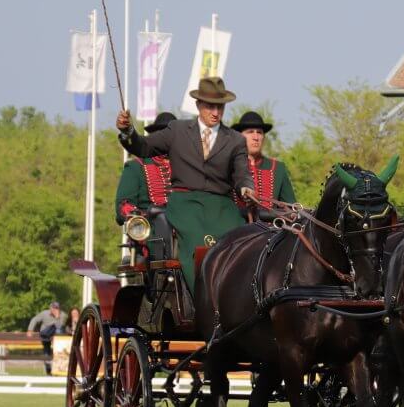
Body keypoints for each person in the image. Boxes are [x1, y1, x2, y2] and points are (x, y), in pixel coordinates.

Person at [116, 76, 256, 290]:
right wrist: (128, 132)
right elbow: (143, 147)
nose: (215, 112)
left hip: (222, 207)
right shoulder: (177, 131)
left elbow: (242, 174)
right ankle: (204, 299)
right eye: (210, 106)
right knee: (198, 245)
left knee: (242, 242)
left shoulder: (235, 140)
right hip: (185, 205)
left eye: (220, 107)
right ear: (199, 105)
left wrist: (247, 187)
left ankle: (240, 300)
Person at [230, 111, 296, 218]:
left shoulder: (278, 168)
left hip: (271, 232)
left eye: (259, 132)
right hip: (235, 230)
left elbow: (292, 208)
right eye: (250, 132)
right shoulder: (227, 166)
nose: (256, 137)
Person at [115, 112, 175, 225]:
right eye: (163, 134)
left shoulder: (188, 165)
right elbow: (123, 204)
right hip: (148, 233)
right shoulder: (136, 167)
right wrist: (135, 214)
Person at [27, 301, 66, 375]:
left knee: (58, 350)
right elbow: (35, 319)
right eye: (53, 308)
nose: (55, 309)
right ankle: (48, 370)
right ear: (50, 308)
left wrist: (57, 318)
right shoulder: (44, 313)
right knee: (46, 352)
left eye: (56, 308)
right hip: (46, 336)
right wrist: (30, 330)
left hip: (57, 338)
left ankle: (58, 370)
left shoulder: (63, 315)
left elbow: (60, 327)